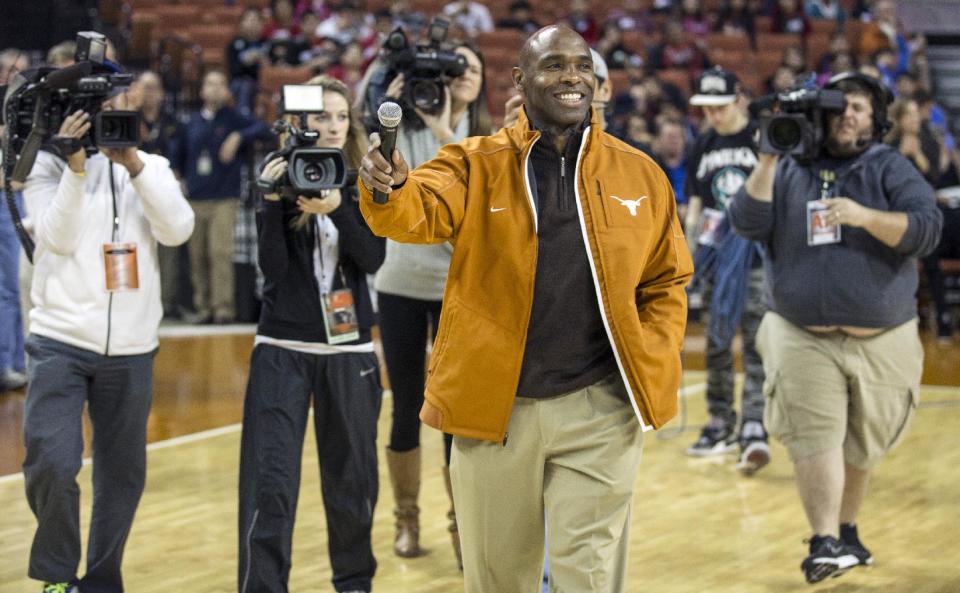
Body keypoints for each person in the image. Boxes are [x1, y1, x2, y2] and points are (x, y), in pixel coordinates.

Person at [358, 25, 692, 592]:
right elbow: (412, 210)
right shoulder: (473, 163)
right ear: (519, 79)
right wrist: (387, 187)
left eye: (582, 67)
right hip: (496, 414)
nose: (571, 78)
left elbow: (666, 280)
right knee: (498, 581)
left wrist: (650, 351)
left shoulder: (640, 173)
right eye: (553, 66)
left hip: (600, 411)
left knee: (585, 578)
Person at [728, 71, 942, 583]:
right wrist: (768, 156)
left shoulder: (889, 167)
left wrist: (866, 217)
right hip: (801, 333)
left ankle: (845, 531)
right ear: (820, 113)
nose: (849, 115)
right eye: (841, 106)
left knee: (861, 445)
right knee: (814, 436)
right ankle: (823, 539)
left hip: (882, 338)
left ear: (877, 120)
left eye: (861, 109)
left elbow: (927, 230)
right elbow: (746, 222)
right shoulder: (786, 169)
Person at [20, 89, 194, 593]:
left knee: (122, 475)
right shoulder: (44, 170)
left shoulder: (153, 167)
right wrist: (76, 169)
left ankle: (100, 581)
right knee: (52, 458)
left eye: (115, 107)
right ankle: (56, 576)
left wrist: (135, 166)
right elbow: (56, 239)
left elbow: (179, 230)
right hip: (60, 340)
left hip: (133, 348)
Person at [238, 75, 384, 593]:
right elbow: (273, 275)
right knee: (270, 484)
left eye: (342, 117)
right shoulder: (278, 175)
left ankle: (354, 584)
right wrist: (273, 202)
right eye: (322, 116)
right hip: (283, 347)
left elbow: (373, 259)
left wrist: (337, 209)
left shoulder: (366, 179)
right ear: (298, 122)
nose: (333, 126)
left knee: (352, 481)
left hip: (350, 350)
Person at [373, 41, 491, 566]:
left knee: (452, 411)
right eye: (456, 66)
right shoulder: (408, 128)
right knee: (404, 406)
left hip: (456, 289)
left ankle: (461, 522)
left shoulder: (487, 138)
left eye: (473, 67)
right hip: (399, 282)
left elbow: (481, 209)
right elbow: (369, 150)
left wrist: (447, 129)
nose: (464, 74)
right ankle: (407, 518)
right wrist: (385, 94)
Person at [683, 67, 770, 474]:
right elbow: (697, 203)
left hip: (757, 258)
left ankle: (754, 422)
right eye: (707, 108)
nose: (714, 115)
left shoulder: (761, 139)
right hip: (716, 256)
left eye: (720, 106)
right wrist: (686, 252)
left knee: (755, 343)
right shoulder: (702, 144)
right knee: (717, 341)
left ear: (738, 100)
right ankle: (720, 419)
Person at [171, 68, 272, 324]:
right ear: (202, 90)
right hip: (195, 197)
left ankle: (223, 310)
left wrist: (239, 136)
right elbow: (177, 155)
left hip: (225, 197)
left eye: (220, 84)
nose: (215, 89)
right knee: (197, 256)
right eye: (210, 84)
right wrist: (178, 179)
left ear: (227, 91)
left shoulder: (234, 119)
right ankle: (203, 308)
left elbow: (264, 129)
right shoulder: (190, 122)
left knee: (219, 253)